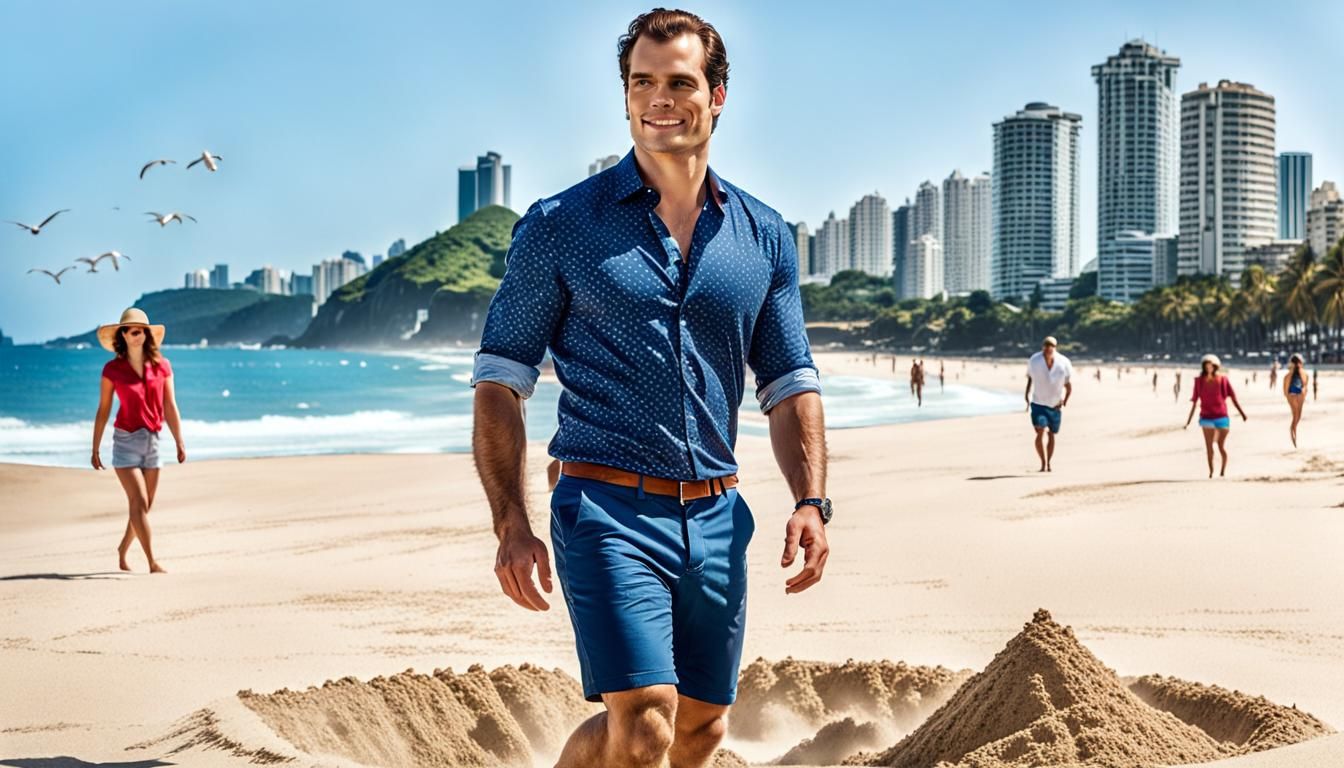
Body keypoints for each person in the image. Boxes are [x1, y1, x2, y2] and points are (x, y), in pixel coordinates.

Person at [470, 10, 830, 767]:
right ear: (626, 95)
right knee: (643, 726)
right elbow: (501, 381)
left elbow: (789, 382)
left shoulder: (763, 234)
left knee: (702, 729)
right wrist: (511, 522)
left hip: (719, 514)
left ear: (717, 95)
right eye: (642, 82)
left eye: (679, 82)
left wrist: (810, 500)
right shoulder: (561, 225)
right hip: (605, 507)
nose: (659, 99)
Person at [91, 308, 185, 573]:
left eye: (142, 331)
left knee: (144, 506)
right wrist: (95, 447)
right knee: (139, 503)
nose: (138, 335)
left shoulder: (162, 366)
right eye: (133, 331)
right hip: (125, 441)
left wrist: (179, 441)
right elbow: (104, 409)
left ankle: (123, 548)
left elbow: (170, 405)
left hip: (153, 442)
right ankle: (152, 562)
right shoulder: (112, 370)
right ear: (123, 335)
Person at [1184, 354, 1248, 478]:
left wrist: (1242, 414)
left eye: (1211, 366)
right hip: (1206, 418)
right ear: (1203, 367)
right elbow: (1194, 402)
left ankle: (1223, 471)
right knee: (1209, 447)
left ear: (1215, 367)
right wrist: (1188, 421)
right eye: (1206, 366)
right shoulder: (1199, 381)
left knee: (1221, 446)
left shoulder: (1223, 380)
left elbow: (1233, 398)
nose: (1209, 368)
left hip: (1222, 417)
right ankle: (1211, 472)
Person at [1024, 336, 1072, 472]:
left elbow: (1068, 385)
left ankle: (1049, 463)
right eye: (1046, 346)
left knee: (1051, 434)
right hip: (1038, 403)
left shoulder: (1063, 362)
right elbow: (1030, 379)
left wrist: (1065, 400)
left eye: (1051, 347)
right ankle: (1043, 463)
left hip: (1055, 405)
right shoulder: (1034, 360)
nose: (1048, 349)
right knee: (1040, 431)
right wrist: (1026, 396)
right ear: (1043, 347)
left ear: (1055, 348)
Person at [1283, 353, 1309, 447]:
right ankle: (1293, 433)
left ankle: (1293, 432)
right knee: (1297, 416)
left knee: (1296, 416)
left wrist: (1287, 397)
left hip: (1293, 395)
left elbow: (1285, 389)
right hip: (1298, 395)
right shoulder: (1303, 374)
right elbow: (1305, 386)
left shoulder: (1289, 375)